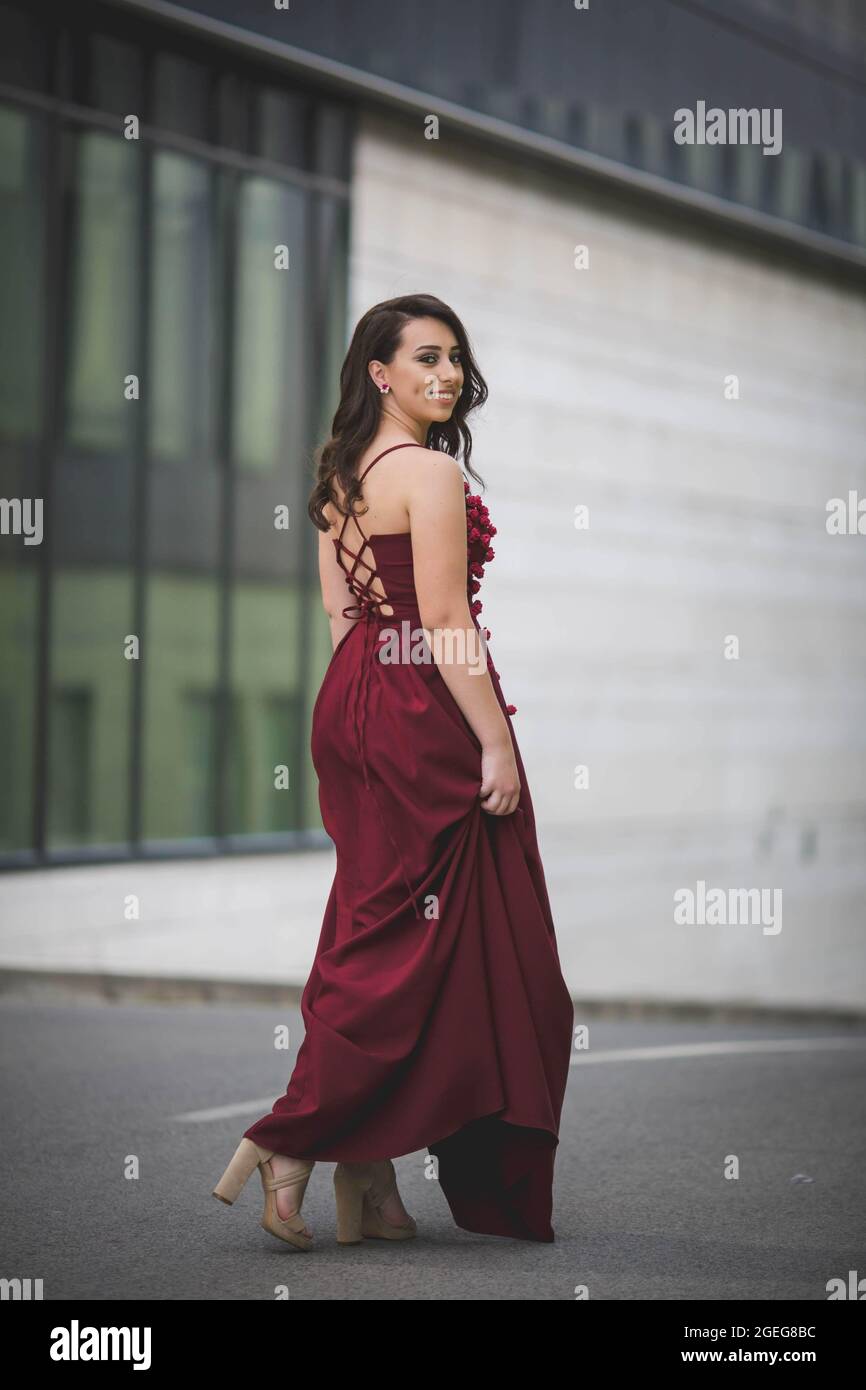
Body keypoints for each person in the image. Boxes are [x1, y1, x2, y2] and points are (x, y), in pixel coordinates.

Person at [212, 293, 574, 1249]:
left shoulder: (339, 475)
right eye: (427, 357)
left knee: (383, 923)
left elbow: (344, 623)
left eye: (456, 357)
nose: (448, 373)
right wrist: (494, 743)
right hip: (425, 705)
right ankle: (296, 1137)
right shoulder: (427, 473)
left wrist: (368, 708)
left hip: (359, 697)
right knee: (451, 946)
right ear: (381, 373)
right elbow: (447, 623)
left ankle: (364, 1178)